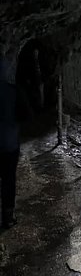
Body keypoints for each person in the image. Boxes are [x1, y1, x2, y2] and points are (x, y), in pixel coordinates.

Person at [0, 56, 20, 229]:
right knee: (8, 179)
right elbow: (26, 114)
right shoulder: (12, 91)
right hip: (9, 142)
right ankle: (7, 216)